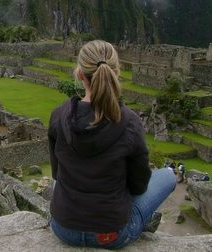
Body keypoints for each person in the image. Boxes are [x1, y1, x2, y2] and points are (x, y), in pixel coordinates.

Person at [48, 40, 176, 249]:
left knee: (58, 184)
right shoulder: (130, 122)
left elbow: (56, 174)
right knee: (168, 175)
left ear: (80, 74)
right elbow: (139, 186)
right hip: (110, 234)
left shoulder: (59, 116)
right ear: (116, 72)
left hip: (64, 228)